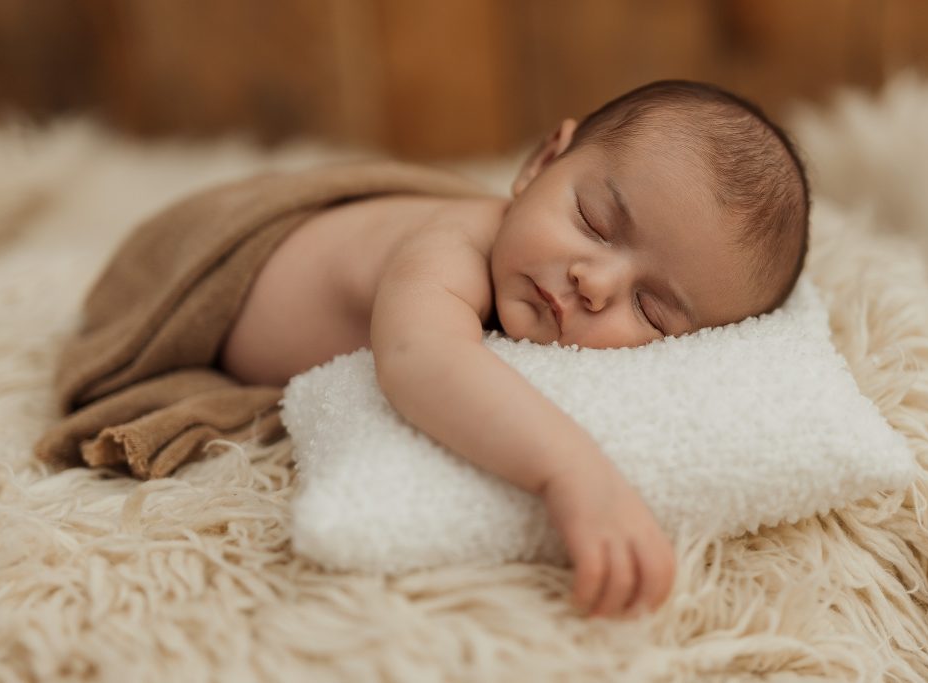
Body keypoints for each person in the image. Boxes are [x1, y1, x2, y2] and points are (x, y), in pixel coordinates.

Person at [219, 79, 811, 619]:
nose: (595, 282)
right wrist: (571, 471)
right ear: (542, 162)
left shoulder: (542, 268)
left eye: (651, 309)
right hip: (223, 271)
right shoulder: (451, 246)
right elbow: (419, 358)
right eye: (594, 221)